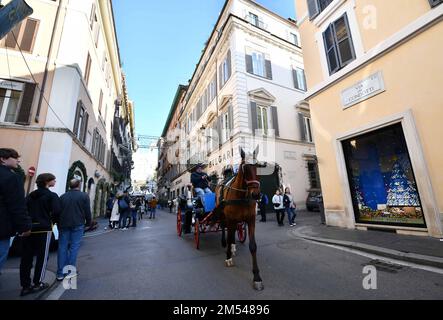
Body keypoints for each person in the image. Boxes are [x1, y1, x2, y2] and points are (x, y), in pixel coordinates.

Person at [19, 173, 61, 296]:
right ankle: (38, 283)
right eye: (54, 180)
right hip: (44, 229)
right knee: (42, 257)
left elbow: (23, 210)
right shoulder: (52, 196)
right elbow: (57, 211)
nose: (55, 181)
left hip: (29, 229)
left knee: (26, 258)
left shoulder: (30, 196)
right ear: (47, 182)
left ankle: (25, 286)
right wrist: (53, 222)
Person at [0, 148, 32, 274]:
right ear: (2, 159)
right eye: (14, 157)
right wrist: (24, 226)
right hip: (2, 228)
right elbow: (17, 205)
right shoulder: (12, 178)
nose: (18, 160)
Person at [56, 178, 92, 281]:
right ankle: (70, 272)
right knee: (74, 248)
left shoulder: (63, 197)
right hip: (78, 224)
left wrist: (58, 223)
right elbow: (87, 211)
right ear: (79, 185)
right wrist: (89, 223)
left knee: (62, 248)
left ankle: (60, 273)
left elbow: (58, 212)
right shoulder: (84, 196)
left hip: (64, 224)